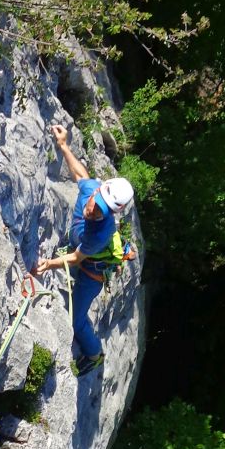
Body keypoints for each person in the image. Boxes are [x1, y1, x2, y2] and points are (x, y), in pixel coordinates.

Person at [32, 123, 134, 375]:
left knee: (76, 321)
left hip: (91, 274)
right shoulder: (92, 189)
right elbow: (81, 175)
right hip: (81, 248)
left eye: (102, 210)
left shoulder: (101, 232)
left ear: (112, 213)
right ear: (98, 190)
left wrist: (48, 264)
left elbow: (77, 258)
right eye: (96, 203)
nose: (93, 210)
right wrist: (63, 145)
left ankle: (94, 354)